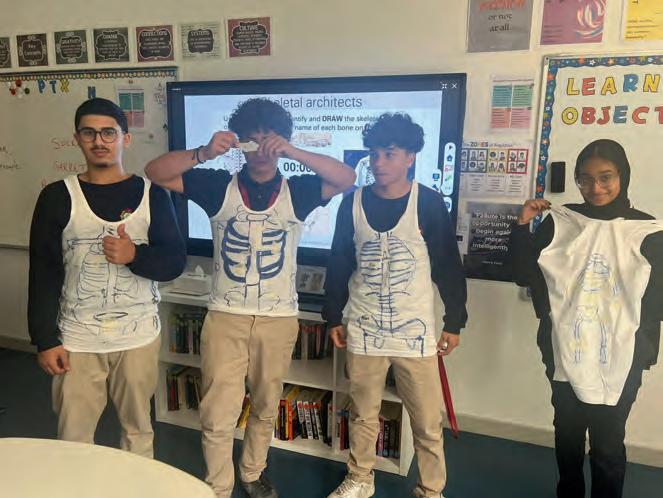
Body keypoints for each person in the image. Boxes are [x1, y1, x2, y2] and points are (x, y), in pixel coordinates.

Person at [145, 97, 356, 498]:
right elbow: (155, 172)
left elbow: (347, 177)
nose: (261, 149)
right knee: (217, 410)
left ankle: (253, 471)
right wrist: (204, 152)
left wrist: (293, 151)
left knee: (266, 404)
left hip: (278, 320)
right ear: (240, 143)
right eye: (252, 140)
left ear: (281, 141)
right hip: (226, 316)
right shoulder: (215, 186)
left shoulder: (300, 191)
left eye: (269, 140)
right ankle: (218, 487)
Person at [28, 97, 186, 457]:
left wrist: (135, 256)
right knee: (74, 437)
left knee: (138, 431)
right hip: (77, 338)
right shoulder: (56, 197)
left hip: (137, 335)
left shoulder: (153, 195)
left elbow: (174, 261)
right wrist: (45, 339)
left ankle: (136, 484)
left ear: (125, 139)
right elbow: (43, 271)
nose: (99, 141)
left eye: (108, 133)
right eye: (89, 133)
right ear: (77, 139)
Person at [323, 113, 468, 498]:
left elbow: (447, 266)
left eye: (389, 153)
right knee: (362, 413)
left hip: (413, 332)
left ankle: (430, 489)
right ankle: (360, 478)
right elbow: (339, 261)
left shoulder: (428, 203)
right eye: (374, 153)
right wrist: (332, 314)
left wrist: (455, 321)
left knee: (427, 420)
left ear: (410, 157)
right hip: (364, 326)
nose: (379, 162)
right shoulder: (351, 203)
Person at [509, 139, 663, 498]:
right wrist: (522, 226)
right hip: (565, 348)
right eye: (585, 179)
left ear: (622, 176)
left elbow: (657, 302)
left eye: (605, 177)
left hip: (623, 356)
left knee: (608, 443)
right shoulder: (562, 223)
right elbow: (524, 274)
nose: (595, 188)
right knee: (567, 435)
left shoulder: (647, 232)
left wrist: (643, 351)